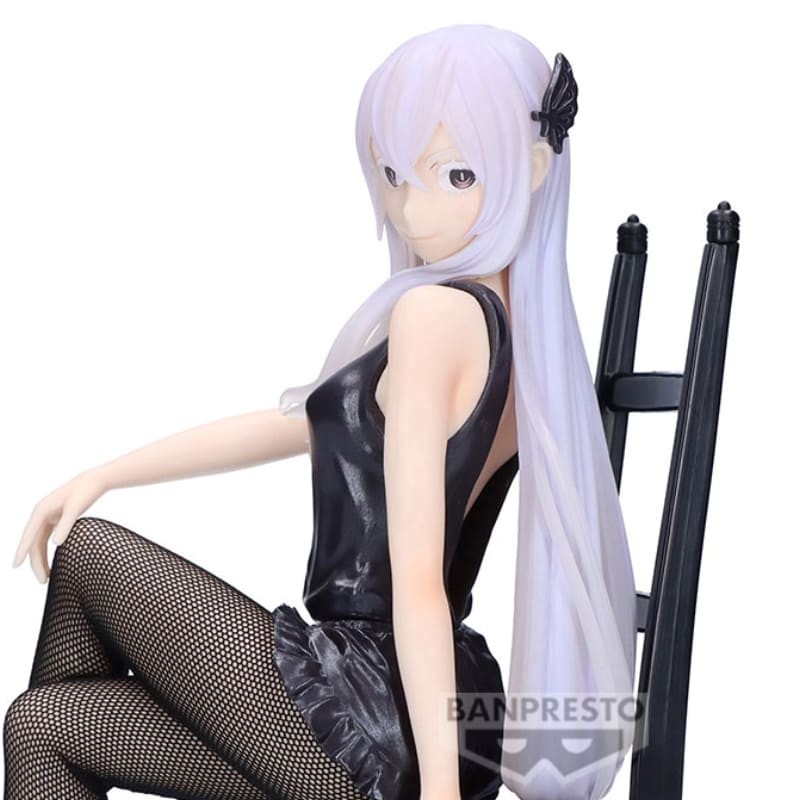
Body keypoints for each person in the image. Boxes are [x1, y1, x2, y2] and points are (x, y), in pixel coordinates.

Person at [4, 24, 637, 800]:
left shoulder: (437, 320)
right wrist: (104, 473)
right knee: (42, 725)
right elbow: (297, 424)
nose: (413, 209)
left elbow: (417, 583)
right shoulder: (522, 338)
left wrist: (438, 793)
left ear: (533, 171)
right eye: (395, 174)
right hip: (425, 707)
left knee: (89, 551)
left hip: (374, 713)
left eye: (456, 174)